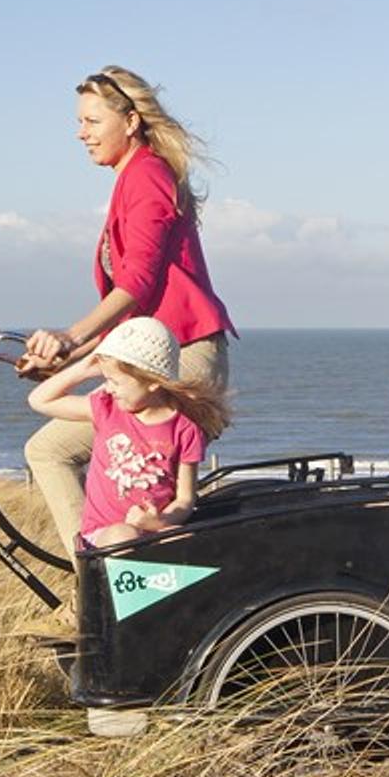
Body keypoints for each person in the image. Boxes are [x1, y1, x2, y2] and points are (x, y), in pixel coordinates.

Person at [19, 65, 238, 561]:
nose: (81, 133)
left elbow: (137, 283)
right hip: (153, 353)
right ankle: (104, 579)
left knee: (50, 452)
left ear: (131, 121)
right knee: (84, 468)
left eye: (93, 121)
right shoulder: (133, 178)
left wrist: (72, 337)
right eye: (80, 122)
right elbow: (132, 316)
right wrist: (70, 358)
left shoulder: (146, 175)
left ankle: (94, 582)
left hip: (177, 356)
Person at [27, 317, 229, 550]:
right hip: (104, 533)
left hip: (152, 529)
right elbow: (39, 400)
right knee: (124, 535)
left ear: (152, 382)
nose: (108, 388)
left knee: (187, 541)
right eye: (106, 380)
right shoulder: (107, 409)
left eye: (115, 382)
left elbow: (185, 499)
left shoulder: (185, 429)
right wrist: (82, 370)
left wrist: (161, 521)